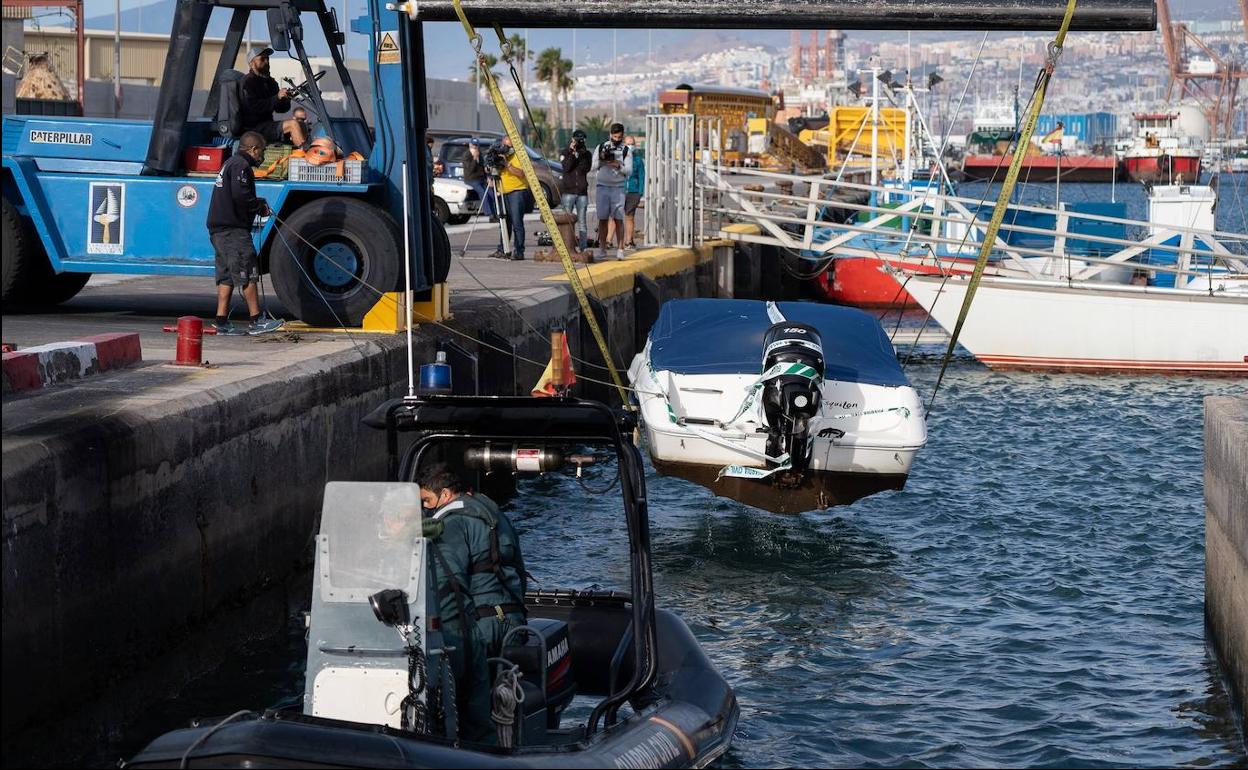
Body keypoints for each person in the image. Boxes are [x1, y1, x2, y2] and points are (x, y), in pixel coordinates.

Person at [418, 463, 526, 741]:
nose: (426, 508)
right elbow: (519, 569)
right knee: (507, 702)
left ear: (444, 495)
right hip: (513, 620)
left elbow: (448, 585)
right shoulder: (495, 515)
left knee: (474, 708)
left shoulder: (451, 524)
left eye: (427, 501)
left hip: (479, 626)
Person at [205, 131, 284, 336]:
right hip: (233, 230)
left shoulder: (230, 163)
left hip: (218, 230)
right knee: (247, 271)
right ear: (253, 149)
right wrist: (258, 205)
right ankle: (256, 320)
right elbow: (241, 195)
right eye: (262, 151)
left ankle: (221, 321)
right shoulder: (241, 165)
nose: (263, 156)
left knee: (227, 276)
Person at [239, 47, 307, 148]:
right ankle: (307, 156)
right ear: (252, 63)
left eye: (268, 59)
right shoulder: (248, 82)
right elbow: (253, 107)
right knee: (293, 124)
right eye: (262, 59)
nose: (266, 62)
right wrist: (277, 97)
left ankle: (303, 152)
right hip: (254, 128)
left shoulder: (271, 82)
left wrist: (285, 99)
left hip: (268, 125)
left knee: (301, 124)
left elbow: (281, 109)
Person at [590, 122, 633, 261]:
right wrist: (604, 161)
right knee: (602, 219)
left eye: (619, 137)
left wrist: (618, 165)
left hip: (618, 188)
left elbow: (629, 171)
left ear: (622, 136)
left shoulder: (626, 150)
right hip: (602, 187)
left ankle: (620, 249)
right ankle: (602, 248)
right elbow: (593, 166)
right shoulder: (601, 147)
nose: (616, 139)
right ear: (610, 135)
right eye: (614, 136)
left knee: (618, 219)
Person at [488, 136, 530, 261]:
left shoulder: (519, 156)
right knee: (504, 223)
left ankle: (519, 251)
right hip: (503, 191)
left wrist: (506, 164)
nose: (506, 149)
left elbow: (521, 173)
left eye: (509, 146)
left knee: (517, 222)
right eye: (504, 146)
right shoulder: (501, 156)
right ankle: (503, 249)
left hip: (517, 191)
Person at [559, 129, 593, 251]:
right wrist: (572, 153)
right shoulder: (565, 152)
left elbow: (585, 169)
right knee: (566, 221)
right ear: (572, 139)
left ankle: (583, 248)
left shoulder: (587, 154)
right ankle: (567, 246)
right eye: (576, 139)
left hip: (582, 192)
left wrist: (580, 154)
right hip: (568, 191)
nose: (578, 142)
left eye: (581, 140)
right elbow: (566, 167)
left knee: (582, 221)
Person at [462, 139, 496, 221]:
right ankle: (490, 214)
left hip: (481, 179)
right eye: (474, 145)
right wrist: (474, 158)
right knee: (483, 193)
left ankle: (495, 213)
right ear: (470, 145)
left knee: (491, 194)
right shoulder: (467, 155)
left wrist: (487, 177)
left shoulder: (479, 153)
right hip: (472, 179)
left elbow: (482, 167)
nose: (475, 147)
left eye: (476, 145)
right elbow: (470, 169)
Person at [623, 135, 645, 249]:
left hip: (633, 191)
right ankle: (608, 241)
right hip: (620, 190)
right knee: (613, 216)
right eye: (627, 144)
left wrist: (640, 192)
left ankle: (629, 241)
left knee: (629, 216)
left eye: (632, 144)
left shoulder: (638, 159)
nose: (630, 146)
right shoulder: (619, 158)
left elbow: (642, 176)